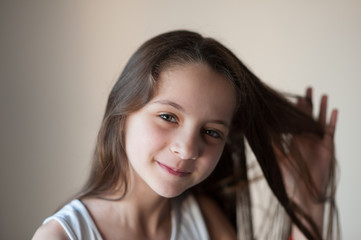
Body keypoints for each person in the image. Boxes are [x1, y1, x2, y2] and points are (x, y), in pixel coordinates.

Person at [33, 30, 339, 240]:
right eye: (168, 117)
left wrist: (309, 196)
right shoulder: (63, 236)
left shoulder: (203, 220)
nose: (188, 148)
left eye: (211, 131)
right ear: (122, 113)